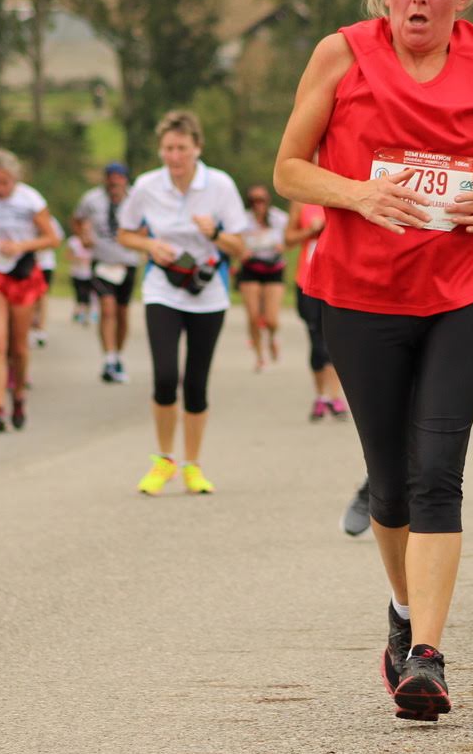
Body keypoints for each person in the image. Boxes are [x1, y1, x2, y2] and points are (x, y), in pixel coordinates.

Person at [276, 0, 473, 721]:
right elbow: (289, 169)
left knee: (437, 474)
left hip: (467, 290)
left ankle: (426, 656)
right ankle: (402, 612)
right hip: (360, 297)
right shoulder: (340, 55)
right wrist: (358, 193)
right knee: (390, 487)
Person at [115, 110, 251, 495]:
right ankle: (164, 460)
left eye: (182, 148)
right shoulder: (147, 186)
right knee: (164, 376)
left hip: (208, 293)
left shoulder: (219, 185)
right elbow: (124, 234)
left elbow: (240, 247)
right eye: (168, 148)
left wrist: (216, 232)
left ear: (197, 148)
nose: (174, 156)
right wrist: (149, 244)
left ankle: (193, 464)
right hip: (162, 288)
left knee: (195, 382)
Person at [0, 149, 61, 432]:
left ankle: (18, 394)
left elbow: (52, 238)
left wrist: (20, 246)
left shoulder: (30, 200)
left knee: (18, 347)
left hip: (21, 274)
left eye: (5, 182)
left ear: (15, 178)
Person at [72, 161, 143, 384]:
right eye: (110, 178)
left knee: (122, 312)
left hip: (127, 262)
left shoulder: (136, 199)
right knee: (107, 308)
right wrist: (83, 237)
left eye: (118, 178)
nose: (114, 182)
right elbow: (77, 220)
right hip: (102, 261)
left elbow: (148, 225)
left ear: (125, 180)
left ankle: (118, 354)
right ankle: (109, 358)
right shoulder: (91, 199)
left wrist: (141, 239)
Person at [287, 199, 349, 421]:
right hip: (307, 280)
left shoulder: (343, 195)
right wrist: (309, 231)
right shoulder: (301, 201)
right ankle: (321, 396)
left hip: (337, 281)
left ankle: (335, 396)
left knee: (336, 340)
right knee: (316, 339)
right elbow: (288, 240)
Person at [238, 183, 290, 371]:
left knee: (271, 319)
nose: (258, 204)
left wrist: (283, 246)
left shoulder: (279, 218)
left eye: (261, 200)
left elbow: (289, 239)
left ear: (268, 200)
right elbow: (235, 242)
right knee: (253, 316)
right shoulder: (243, 219)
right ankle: (259, 355)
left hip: (273, 267)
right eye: (254, 200)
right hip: (251, 268)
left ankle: (273, 337)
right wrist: (240, 251)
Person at [66, 233, 94, 326]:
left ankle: (86, 315)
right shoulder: (74, 241)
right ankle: (79, 313)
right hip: (77, 273)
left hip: (90, 274)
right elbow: (68, 256)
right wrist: (78, 259)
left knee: (88, 295)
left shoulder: (94, 241)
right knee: (80, 294)